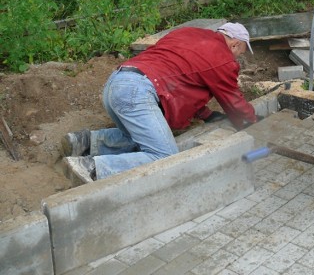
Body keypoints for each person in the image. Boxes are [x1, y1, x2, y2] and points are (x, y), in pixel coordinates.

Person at [62, 22, 258, 184]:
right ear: (235, 45)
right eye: (240, 52)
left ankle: (84, 142)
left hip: (117, 82)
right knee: (164, 155)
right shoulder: (222, 58)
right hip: (137, 93)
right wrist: (255, 125)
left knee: (146, 137)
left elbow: (180, 76)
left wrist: (205, 114)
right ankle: (93, 167)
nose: (238, 57)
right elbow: (234, 102)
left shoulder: (187, 33)